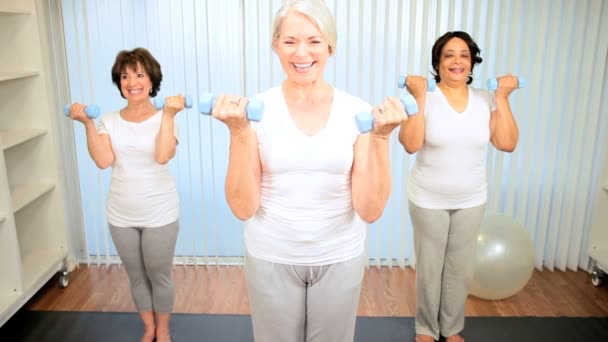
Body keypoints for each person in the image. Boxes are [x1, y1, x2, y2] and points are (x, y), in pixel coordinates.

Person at [210, 1, 405, 341]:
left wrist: (382, 138)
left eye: (314, 40)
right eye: (290, 41)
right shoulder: (256, 111)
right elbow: (243, 207)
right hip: (271, 254)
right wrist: (239, 132)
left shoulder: (356, 112)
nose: (302, 52)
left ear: (330, 45)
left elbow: (370, 209)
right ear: (275, 46)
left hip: (340, 255)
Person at [399, 31, 520, 342]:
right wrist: (420, 98)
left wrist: (503, 98)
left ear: (471, 62)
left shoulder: (485, 100)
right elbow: (410, 144)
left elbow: (506, 142)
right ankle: (426, 328)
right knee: (430, 268)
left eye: (463, 55)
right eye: (449, 55)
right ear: (438, 64)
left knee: (460, 270)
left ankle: (451, 328)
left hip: (471, 197)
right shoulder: (425, 98)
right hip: (428, 198)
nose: (457, 61)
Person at [67, 47, 185, 342]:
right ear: (119, 83)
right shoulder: (108, 119)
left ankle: (165, 329)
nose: (132, 82)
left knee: (159, 275)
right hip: (121, 214)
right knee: (136, 276)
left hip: (160, 212)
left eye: (139, 74)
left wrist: (168, 115)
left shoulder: (165, 117)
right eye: (125, 76)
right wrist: (87, 124)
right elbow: (104, 160)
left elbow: (162, 155)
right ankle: (149, 329)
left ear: (151, 79)